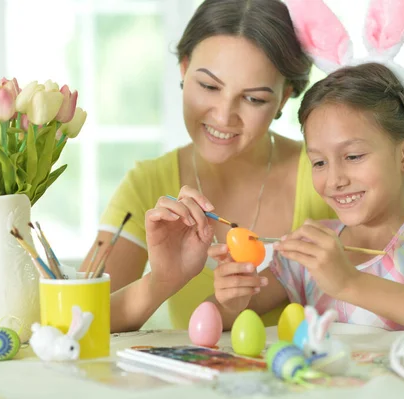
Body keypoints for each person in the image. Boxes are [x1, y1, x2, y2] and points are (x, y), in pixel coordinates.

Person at [152, 0, 404, 330]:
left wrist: (349, 284)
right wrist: (233, 297)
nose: (334, 179)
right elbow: (222, 316)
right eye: (318, 161)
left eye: (353, 157)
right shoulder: (312, 246)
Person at [83, 0, 335, 332]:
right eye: (209, 86)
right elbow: (78, 322)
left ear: (284, 97)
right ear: (184, 69)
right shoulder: (148, 183)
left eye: (254, 99)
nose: (223, 116)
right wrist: (162, 281)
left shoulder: (330, 176)